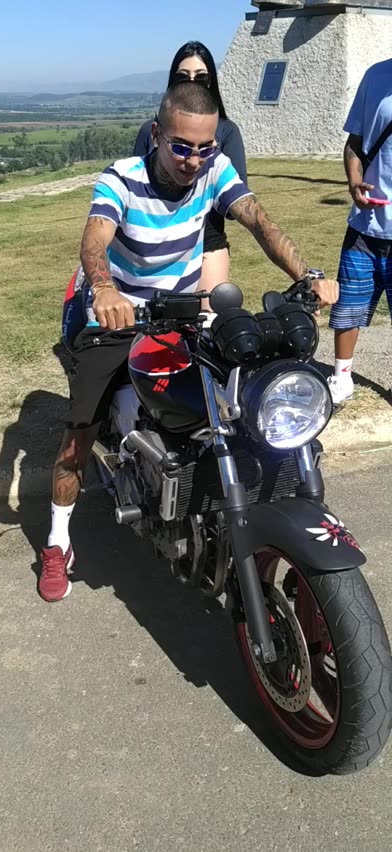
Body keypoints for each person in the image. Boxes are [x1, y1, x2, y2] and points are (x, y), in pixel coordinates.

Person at [38, 81, 338, 602]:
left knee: (239, 400)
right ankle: (57, 540)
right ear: (157, 135)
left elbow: (257, 219)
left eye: (204, 147)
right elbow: (95, 240)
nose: (192, 160)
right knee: (77, 435)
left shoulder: (215, 171)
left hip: (183, 314)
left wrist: (306, 275)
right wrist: (105, 290)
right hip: (118, 315)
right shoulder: (121, 179)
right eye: (181, 146)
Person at [134, 41, 247, 295]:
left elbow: (236, 207)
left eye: (201, 77)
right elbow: (134, 190)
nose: (192, 83)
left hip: (206, 243)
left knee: (207, 317)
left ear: (212, 81)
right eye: (183, 77)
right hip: (153, 244)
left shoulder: (227, 131)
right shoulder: (149, 131)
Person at [328, 57, 392, 405]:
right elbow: (354, 142)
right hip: (365, 224)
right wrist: (354, 181)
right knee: (347, 307)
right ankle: (342, 378)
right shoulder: (375, 76)